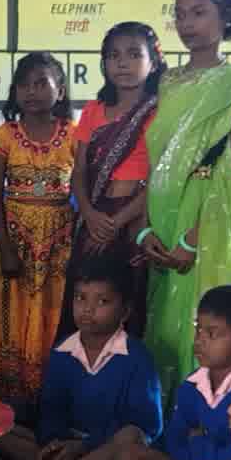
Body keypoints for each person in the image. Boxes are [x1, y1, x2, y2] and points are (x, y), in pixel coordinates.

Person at [139, 0, 231, 396]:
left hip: (205, 231)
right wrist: (145, 229)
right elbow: (156, 163)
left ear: (226, 18)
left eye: (198, 13)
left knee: (204, 330)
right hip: (160, 226)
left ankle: (206, 421)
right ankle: (167, 426)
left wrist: (194, 236)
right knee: (162, 333)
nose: (187, 23)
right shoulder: (167, 81)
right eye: (180, 14)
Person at [89, 284, 231, 460]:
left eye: (212, 334)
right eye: (198, 330)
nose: (199, 341)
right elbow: (176, 436)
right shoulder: (192, 384)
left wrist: (199, 443)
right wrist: (188, 457)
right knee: (127, 454)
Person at [0, 259, 161, 460]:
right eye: (80, 298)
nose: (88, 309)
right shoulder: (63, 351)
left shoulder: (137, 357)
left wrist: (83, 446)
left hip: (107, 448)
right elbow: (52, 409)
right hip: (69, 443)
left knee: (131, 437)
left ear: (125, 312)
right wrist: (56, 443)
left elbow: (148, 424)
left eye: (102, 301)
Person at [64, 22, 164, 339]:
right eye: (113, 55)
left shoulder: (160, 112)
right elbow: (79, 171)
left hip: (136, 219)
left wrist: (117, 222)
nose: (122, 63)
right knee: (85, 300)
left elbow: (160, 178)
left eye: (134, 54)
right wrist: (91, 215)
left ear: (154, 62)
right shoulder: (94, 110)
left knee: (125, 302)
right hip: (94, 216)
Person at [0, 52, 76, 404]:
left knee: (53, 316)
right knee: (10, 316)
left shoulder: (73, 134)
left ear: (61, 90)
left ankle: (49, 399)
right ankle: (11, 402)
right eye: (23, 85)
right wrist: (7, 248)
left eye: (41, 83)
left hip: (58, 248)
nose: (31, 91)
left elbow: (83, 190)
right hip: (14, 245)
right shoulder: (6, 135)